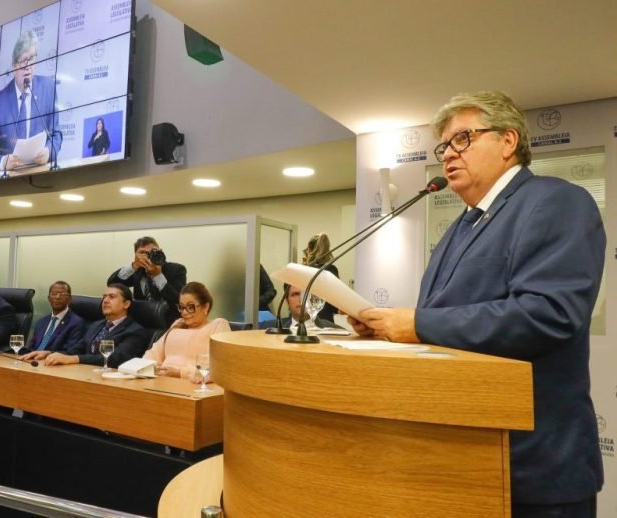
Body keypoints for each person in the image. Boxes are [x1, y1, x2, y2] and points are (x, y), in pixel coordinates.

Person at [352, 91, 604, 517]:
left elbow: (549, 314)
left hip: (532, 464)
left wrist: (417, 324)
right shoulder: (460, 227)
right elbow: (445, 316)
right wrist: (385, 326)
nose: (449, 153)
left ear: (508, 141)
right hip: (459, 456)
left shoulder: (556, 200)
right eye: (444, 146)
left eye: (463, 138)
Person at [0, 30, 61, 173]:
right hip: (11, 180)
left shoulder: (48, 88)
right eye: (23, 61)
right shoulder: (0, 101)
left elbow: (56, 135)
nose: (28, 66)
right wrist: (3, 162)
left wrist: (48, 152)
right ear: (14, 66)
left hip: (42, 175)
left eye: (32, 59)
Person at [22, 284, 146, 367]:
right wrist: (49, 353)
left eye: (111, 297)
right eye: (104, 297)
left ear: (126, 304)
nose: (105, 301)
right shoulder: (96, 325)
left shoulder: (135, 331)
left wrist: (75, 359)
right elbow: (76, 350)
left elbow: (115, 359)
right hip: (84, 374)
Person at [143, 282, 229, 380]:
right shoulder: (178, 324)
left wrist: (179, 373)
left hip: (192, 384)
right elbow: (152, 354)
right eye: (182, 307)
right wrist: (142, 369)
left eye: (190, 307)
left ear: (206, 306)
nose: (184, 312)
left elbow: (218, 368)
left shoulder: (218, 325)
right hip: (160, 381)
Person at [107, 236, 187, 326]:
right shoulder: (137, 271)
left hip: (167, 323)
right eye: (143, 253)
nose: (149, 256)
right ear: (136, 255)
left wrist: (157, 275)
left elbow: (179, 301)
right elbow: (112, 284)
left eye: (153, 252)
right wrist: (134, 265)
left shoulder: (176, 269)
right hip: (140, 322)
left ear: (160, 251)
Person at [22, 281, 85, 354]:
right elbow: (31, 347)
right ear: (49, 298)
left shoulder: (76, 323)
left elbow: (71, 352)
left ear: (69, 299)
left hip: (52, 360)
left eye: (62, 294)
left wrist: (47, 354)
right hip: (32, 359)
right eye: (54, 294)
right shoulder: (42, 322)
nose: (57, 297)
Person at [258, 284, 339, 330]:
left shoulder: (336, 332)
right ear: (287, 302)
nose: (301, 299)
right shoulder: (266, 328)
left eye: (306, 294)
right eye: (295, 294)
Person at [302, 233, 339, 321]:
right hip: (325, 318)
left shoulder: (304, 270)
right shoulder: (331, 270)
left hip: (305, 316)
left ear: (310, 249)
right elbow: (336, 301)